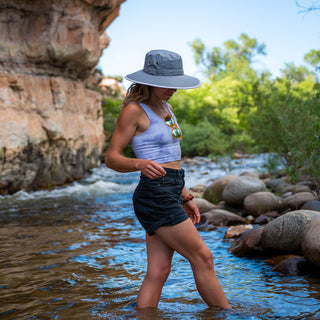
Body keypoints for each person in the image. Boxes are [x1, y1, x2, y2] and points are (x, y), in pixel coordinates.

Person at [105, 49, 230, 309]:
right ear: (148, 81)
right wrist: (138, 163)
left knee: (159, 271)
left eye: (176, 83)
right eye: (166, 84)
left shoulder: (167, 108)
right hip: (154, 194)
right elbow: (112, 158)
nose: (173, 89)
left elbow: (171, 157)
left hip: (171, 190)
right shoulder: (133, 111)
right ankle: (228, 315)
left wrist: (185, 195)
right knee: (204, 257)